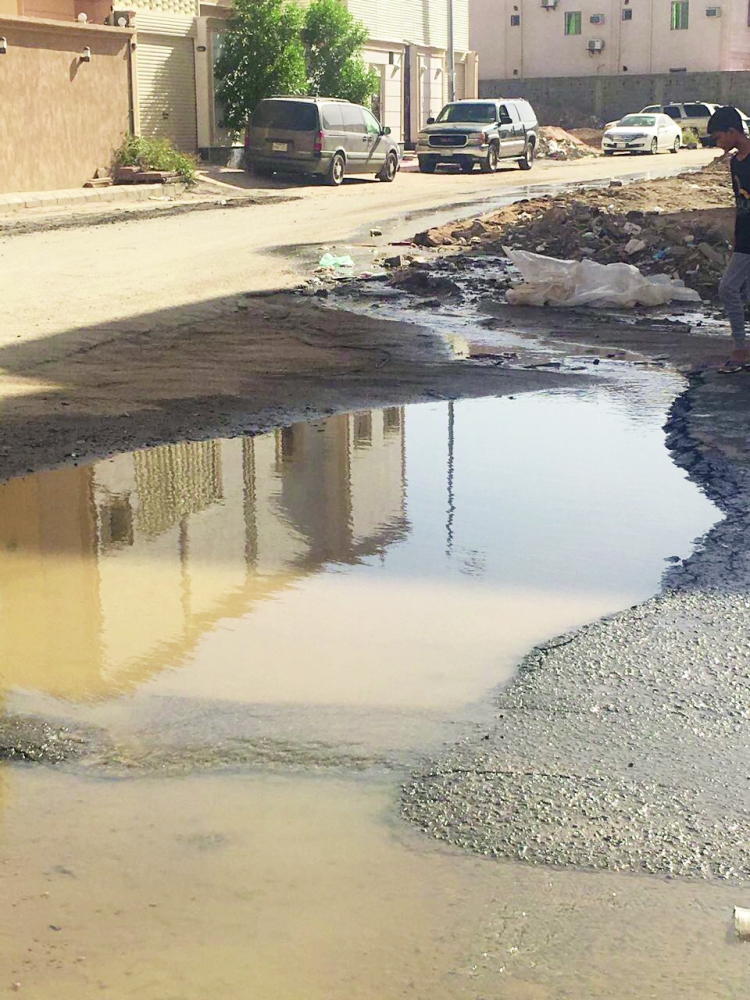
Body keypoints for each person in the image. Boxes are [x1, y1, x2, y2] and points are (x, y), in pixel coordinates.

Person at [707, 105, 750, 371]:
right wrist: (737, 239)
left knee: (728, 288)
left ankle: (740, 349)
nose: (718, 143)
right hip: (745, 236)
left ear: (733, 131)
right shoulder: (735, 162)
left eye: (719, 137)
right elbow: (740, 204)